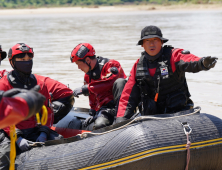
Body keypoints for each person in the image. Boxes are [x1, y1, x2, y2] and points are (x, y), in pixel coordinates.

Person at [116, 25, 218, 123]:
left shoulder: (173, 55)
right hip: (152, 116)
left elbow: (189, 60)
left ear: (161, 42)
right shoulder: (138, 65)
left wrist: (202, 63)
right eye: (147, 40)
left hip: (178, 112)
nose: (152, 44)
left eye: (155, 40)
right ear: (142, 44)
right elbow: (127, 96)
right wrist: (121, 120)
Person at [0, 43, 65, 169]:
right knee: (6, 153)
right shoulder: (3, 84)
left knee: (60, 141)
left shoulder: (40, 84)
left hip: (34, 129)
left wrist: (44, 133)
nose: (27, 62)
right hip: (10, 132)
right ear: (12, 62)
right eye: (22, 60)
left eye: (29, 59)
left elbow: (48, 112)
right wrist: (17, 138)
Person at [71, 43, 127, 130]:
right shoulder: (87, 76)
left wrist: (86, 88)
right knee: (99, 125)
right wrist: (93, 112)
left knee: (120, 82)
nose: (78, 67)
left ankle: (122, 117)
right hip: (106, 109)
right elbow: (93, 97)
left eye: (79, 64)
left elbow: (110, 81)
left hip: (123, 105)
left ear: (88, 60)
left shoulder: (112, 65)